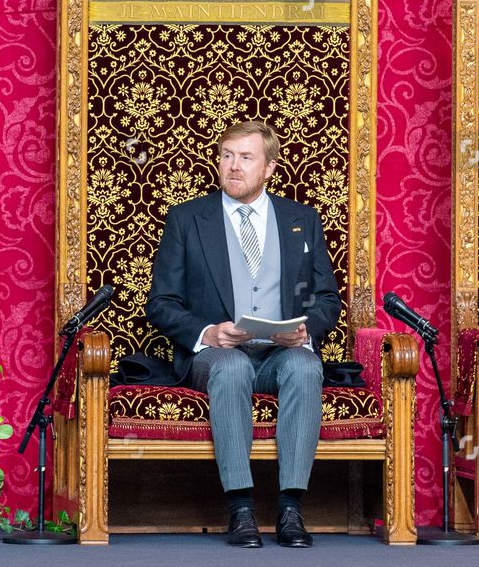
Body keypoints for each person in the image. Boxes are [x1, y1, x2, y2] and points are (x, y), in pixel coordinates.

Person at [146, 120, 341, 549]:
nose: (233, 167)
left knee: (306, 366)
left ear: (269, 167)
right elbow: (161, 303)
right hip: (216, 356)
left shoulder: (301, 220)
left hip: (279, 353)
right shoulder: (187, 219)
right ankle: (241, 508)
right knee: (232, 367)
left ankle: (291, 507)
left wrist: (304, 331)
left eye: (246, 158)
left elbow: (326, 298)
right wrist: (208, 333)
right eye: (227, 156)